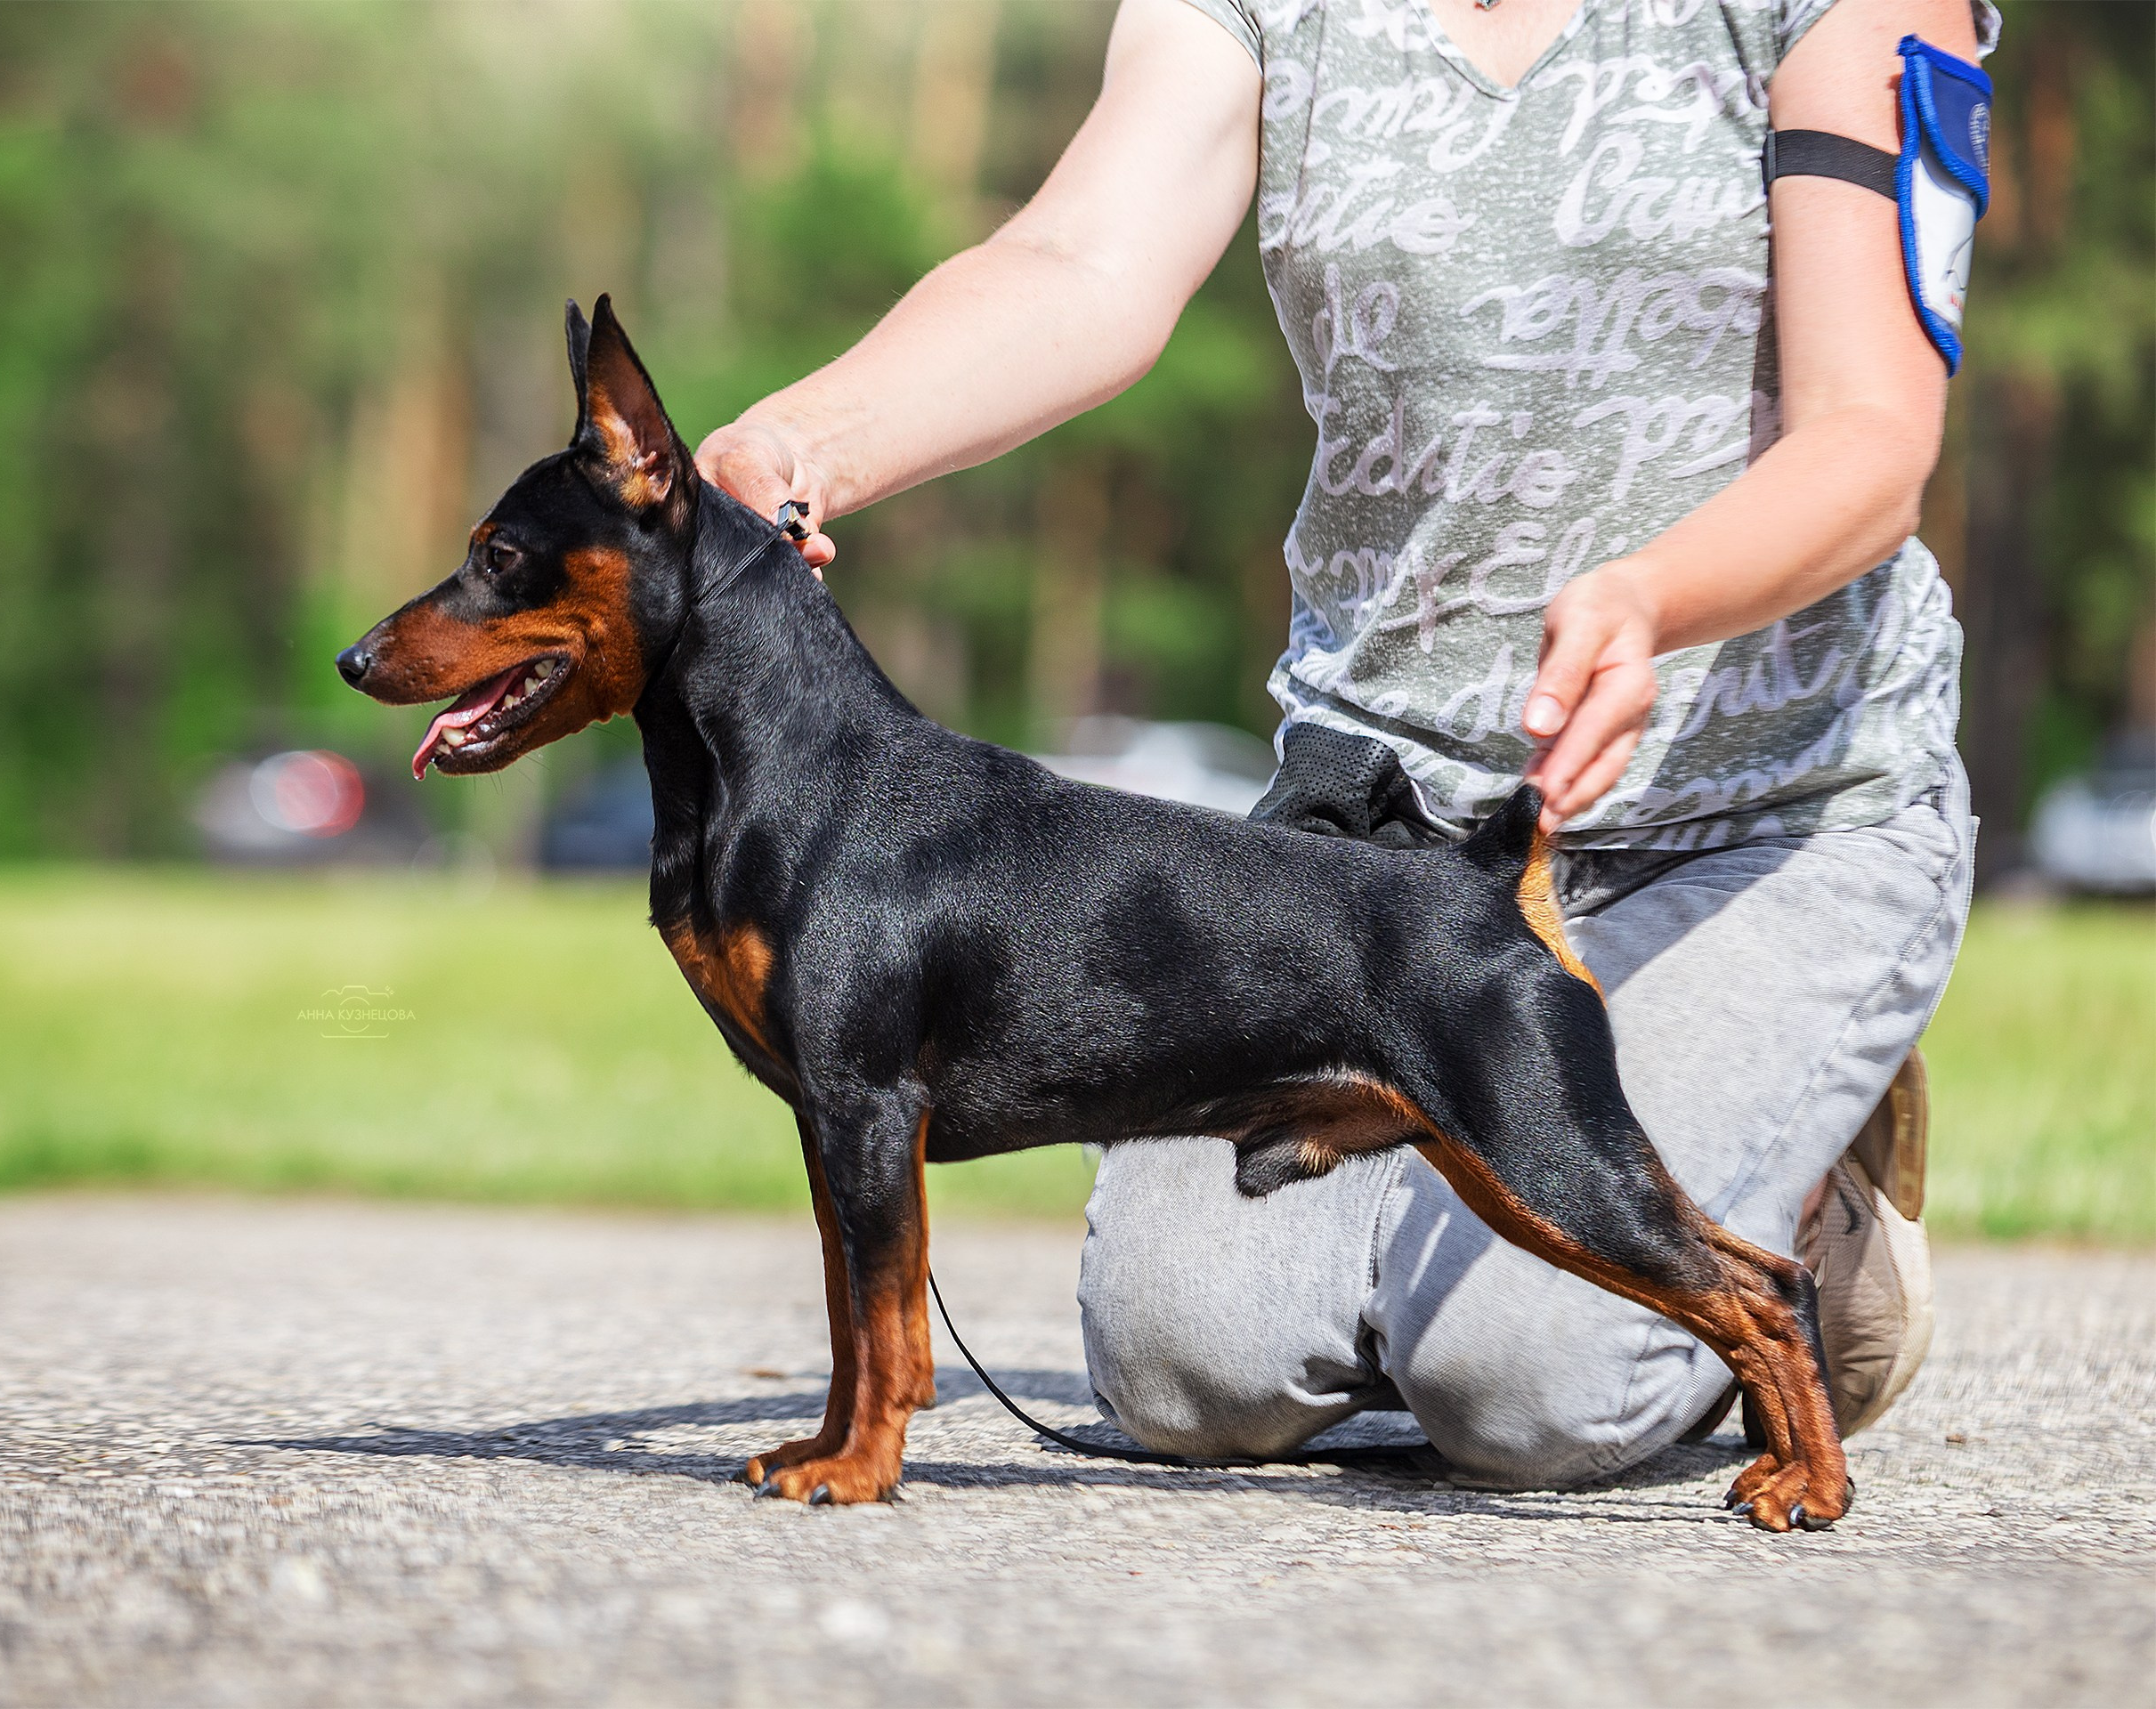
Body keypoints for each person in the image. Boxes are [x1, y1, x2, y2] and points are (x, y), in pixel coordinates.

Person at [697, 0, 1993, 1487]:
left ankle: (1800, 1184)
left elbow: (1871, 437)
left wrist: (1654, 596)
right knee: (1189, 1376)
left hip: (1762, 815)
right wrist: (797, 446)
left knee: (1530, 1394)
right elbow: (1081, 263)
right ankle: (1491, 1181)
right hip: (1378, 832)